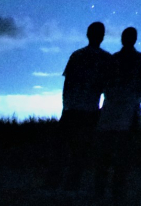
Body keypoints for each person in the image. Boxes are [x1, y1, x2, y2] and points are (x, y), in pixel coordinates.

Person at [47, 21, 113, 190]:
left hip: (76, 110)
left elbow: (67, 85)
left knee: (66, 150)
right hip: (86, 110)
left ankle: (57, 183)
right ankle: (68, 184)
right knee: (78, 151)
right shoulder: (104, 59)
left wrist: (66, 106)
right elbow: (109, 88)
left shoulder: (79, 55)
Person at [94, 26, 141, 201]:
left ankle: (101, 190)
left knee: (106, 154)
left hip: (112, 112)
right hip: (126, 113)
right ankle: (116, 191)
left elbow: (104, 86)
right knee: (121, 155)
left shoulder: (115, 59)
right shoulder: (137, 59)